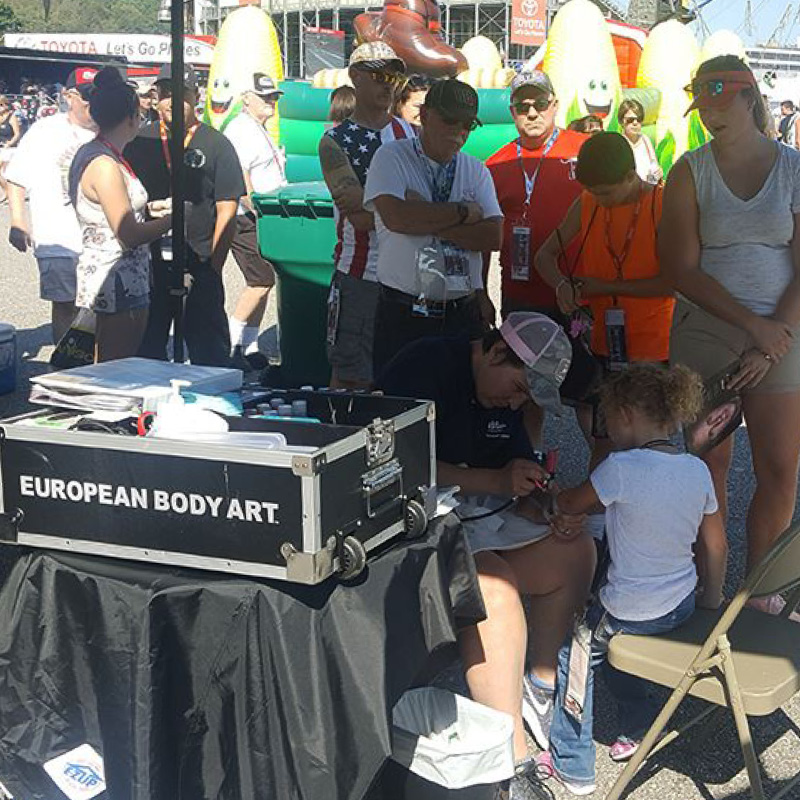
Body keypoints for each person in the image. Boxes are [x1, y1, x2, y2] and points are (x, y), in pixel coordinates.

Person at [377, 312, 596, 795]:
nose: (515, 402)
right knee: (493, 587)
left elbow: (509, 468)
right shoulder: (427, 364)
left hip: (475, 521)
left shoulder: (504, 394)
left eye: (524, 397)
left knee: (574, 548)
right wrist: (496, 482)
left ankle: (538, 684)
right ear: (496, 350)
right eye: (517, 388)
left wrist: (538, 500)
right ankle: (512, 763)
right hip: (407, 527)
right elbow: (393, 459)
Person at [537, 365, 727, 795]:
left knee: (577, 654)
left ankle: (572, 762)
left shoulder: (620, 468)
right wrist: (710, 603)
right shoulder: (696, 471)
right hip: (679, 604)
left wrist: (555, 499)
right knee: (616, 647)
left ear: (624, 414)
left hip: (628, 608)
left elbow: (573, 501)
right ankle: (639, 723)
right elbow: (715, 547)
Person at [661, 55, 800, 612]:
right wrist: (755, 328)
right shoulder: (688, 171)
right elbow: (681, 269)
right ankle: (711, 592)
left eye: (720, 103)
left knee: (780, 468)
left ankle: (760, 596)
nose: (709, 116)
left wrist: (777, 335)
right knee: (705, 467)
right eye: (702, 106)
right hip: (711, 332)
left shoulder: (793, 168)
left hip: (784, 331)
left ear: (749, 99)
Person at [535, 132, 674, 465]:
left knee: (651, 444)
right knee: (605, 440)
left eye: (606, 193)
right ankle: (600, 513)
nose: (600, 199)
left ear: (630, 176)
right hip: (604, 346)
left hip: (654, 348)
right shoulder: (587, 203)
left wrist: (606, 287)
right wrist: (561, 286)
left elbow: (673, 283)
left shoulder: (661, 204)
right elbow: (545, 255)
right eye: (593, 192)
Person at [365, 78, 503, 375]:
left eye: (468, 125)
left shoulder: (475, 170)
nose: (459, 132)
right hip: (404, 311)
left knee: (458, 409)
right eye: (450, 120)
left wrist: (428, 219)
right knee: (400, 409)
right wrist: (465, 212)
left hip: (460, 311)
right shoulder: (391, 157)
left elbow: (493, 236)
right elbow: (397, 218)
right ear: (424, 115)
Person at [484, 70, 589, 448]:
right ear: (512, 111)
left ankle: (605, 474)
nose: (532, 113)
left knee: (588, 393)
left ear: (555, 105)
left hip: (577, 294)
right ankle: (530, 464)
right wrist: (482, 291)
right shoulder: (495, 164)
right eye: (522, 106)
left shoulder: (583, 150)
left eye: (539, 104)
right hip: (522, 294)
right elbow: (485, 234)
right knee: (526, 388)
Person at [125, 64, 245, 367]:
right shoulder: (139, 141)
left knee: (209, 354)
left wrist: (214, 264)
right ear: (155, 97)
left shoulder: (216, 144)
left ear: (196, 96)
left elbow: (227, 207)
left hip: (199, 262)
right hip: (148, 265)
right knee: (145, 353)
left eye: (181, 94)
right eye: (165, 94)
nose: (172, 102)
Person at [318, 41, 414, 389]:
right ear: (355, 77)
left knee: (399, 375)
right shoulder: (335, 141)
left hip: (406, 275)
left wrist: (387, 205)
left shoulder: (412, 135)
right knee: (351, 376)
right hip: (360, 275)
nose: (389, 83)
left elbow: (369, 208)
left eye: (394, 76)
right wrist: (413, 208)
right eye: (379, 74)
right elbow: (358, 218)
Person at [68, 68, 172, 362]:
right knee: (114, 367)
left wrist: (153, 208)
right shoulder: (104, 164)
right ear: (130, 118)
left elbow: (114, 209)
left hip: (120, 274)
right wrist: (172, 222)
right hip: (115, 277)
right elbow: (127, 233)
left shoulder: (99, 153)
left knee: (116, 362)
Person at [6, 67, 98, 344]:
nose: (94, 103)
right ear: (70, 96)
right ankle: (66, 367)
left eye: (99, 96)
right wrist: (18, 222)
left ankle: (96, 368)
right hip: (57, 237)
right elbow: (15, 177)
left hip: (99, 239)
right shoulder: (45, 131)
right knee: (65, 305)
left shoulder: (110, 131)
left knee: (99, 306)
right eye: (88, 96)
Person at [224, 72, 287, 371]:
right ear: (246, 98)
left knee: (264, 280)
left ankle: (248, 346)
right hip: (247, 217)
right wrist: (258, 211)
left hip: (261, 215)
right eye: (265, 97)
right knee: (260, 280)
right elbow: (242, 180)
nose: (271, 102)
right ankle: (231, 343)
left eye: (274, 97)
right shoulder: (241, 131)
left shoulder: (257, 129)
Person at [617, 99, 661, 184]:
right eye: (630, 120)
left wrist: (658, 172)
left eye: (639, 119)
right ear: (622, 121)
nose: (635, 123)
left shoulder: (645, 140)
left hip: (647, 190)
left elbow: (654, 165)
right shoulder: (618, 144)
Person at [0, 94, 22, 202]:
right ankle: (6, 192)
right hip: (1, 148)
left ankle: (10, 193)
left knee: (6, 172)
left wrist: (9, 143)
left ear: (5, 105)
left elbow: (17, 134)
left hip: (10, 148)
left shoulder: (12, 117)